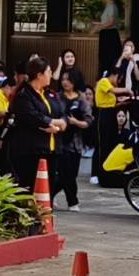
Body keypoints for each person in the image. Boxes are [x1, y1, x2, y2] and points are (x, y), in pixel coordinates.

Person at [7, 56, 65, 193]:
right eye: (49, 71)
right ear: (39, 75)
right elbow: (31, 116)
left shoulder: (49, 93)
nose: (51, 74)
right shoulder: (24, 95)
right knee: (31, 187)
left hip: (51, 148)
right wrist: (50, 122)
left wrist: (63, 122)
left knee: (50, 188)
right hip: (31, 150)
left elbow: (60, 112)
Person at [54, 70, 90, 211]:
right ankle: (73, 202)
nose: (65, 82)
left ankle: (49, 193)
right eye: (63, 79)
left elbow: (88, 121)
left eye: (68, 79)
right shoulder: (57, 97)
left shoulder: (81, 99)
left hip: (76, 142)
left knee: (71, 174)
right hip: (60, 141)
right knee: (65, 172)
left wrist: (76, 122)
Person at [92, 67, 132, 186]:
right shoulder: (104, 81)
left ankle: (107, 172)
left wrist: (124, 102)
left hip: (110, 113)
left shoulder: (109, 87)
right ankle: (97, 173)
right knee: (102, 144)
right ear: (114, 75)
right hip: (103, 114)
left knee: (110, 143)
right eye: (118, 79)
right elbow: (113, 91)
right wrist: (127, 90)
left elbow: (112, 103)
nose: (118, 82)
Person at [95, 0, 125, 83]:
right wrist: (97, 24)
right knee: (104, 59)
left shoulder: (112, 6)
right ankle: (104, 81)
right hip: (106, 34)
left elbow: (111, 22)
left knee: (109, 59)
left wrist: (99, 27)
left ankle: (109, 81)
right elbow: (107, 22)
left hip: (109, 36)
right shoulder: (109, 6)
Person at [117, 40, 139, 124]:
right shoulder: (120, 60)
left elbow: (138, 78)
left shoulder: (137, 59)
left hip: (134, 95)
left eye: (131, 46)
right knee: (120, 119)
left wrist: (134, 62)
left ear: (133, 48)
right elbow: (115, 74)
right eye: (126, 45)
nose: (128, 48)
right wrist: (121, 58)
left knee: (134, 121)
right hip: (121, 95)